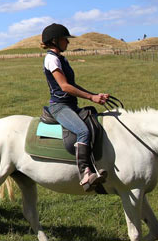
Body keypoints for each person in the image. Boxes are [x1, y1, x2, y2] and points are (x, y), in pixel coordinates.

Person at [41, 23, 109, 190]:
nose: (68, 42)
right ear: (55, 41)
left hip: (71, 105)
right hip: (60, 107)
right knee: (82, 131)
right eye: (65, 39)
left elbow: (73, 84)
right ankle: (85, 175)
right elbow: (65, 87)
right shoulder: (51, 59)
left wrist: (95, 95)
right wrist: (91, 97)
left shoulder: (61, 58)